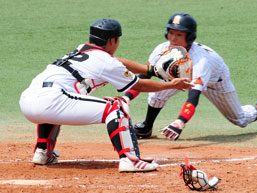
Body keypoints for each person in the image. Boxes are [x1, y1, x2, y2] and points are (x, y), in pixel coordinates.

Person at [19, 18, 193, 172]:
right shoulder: (106, 62)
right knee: (116, 107)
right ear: (112, 40)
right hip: (52, 100)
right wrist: (169, 85)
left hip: (28, 100)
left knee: (55, 104)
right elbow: (138, 85)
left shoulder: (82, 49)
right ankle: (130, 160)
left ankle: (43, 152)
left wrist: (152, 70)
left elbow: (119, 62)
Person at [124, 13, 257, 141]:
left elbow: (193, 96)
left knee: (239, 119)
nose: (173, 38)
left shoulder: (200, 60)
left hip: (215, 82)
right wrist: (127, 98)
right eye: (171, 32)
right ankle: (146, 127)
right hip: (181, 77)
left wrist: (180, 122)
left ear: (190, 37)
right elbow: (145, 75)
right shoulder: (162, 49)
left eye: (179, 34)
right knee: (157, 93)